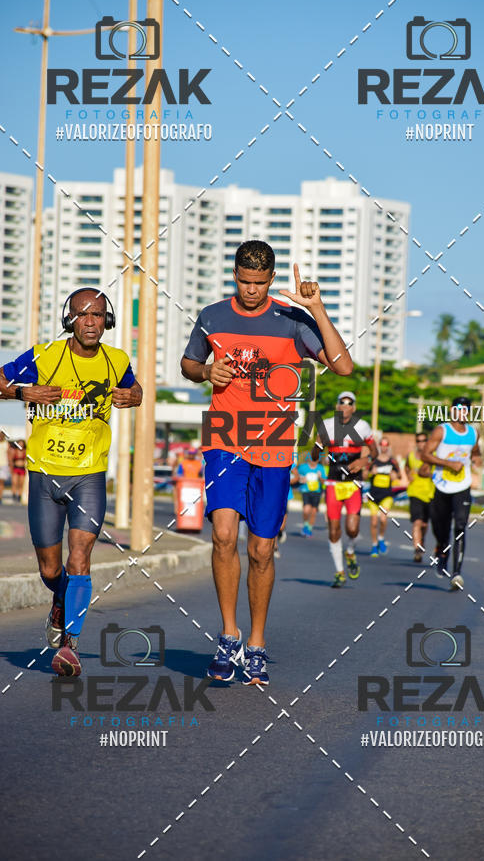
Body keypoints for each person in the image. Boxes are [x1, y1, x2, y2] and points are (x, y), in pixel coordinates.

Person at [180, 240, 353, 686]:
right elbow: (189, 364)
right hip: (224, 438)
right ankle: (229, 635)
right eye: (244, 281)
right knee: (223, 535)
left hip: (274, 444)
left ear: (271, 279)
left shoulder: (293, 320)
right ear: (234, 275)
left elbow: (343, 367)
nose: (251, 290)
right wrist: (206, 372)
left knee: (260, 549)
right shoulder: (212, 315)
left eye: (259, 283)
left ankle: (256, 642)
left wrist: (317, 309)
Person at [0, 288, 142, 676]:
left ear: (108, 320)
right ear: (68, 320)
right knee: (51, 570)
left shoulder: (116, 360)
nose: (90, 322)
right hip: (44, 474)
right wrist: (24, 392)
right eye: (82, 314)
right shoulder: (45, 356)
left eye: (98, 315)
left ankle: (69, 645)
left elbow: (134, 388)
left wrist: (133, 396)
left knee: (80, 557)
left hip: (89, 474)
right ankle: (60, 599)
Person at [314, 391, 377, 588]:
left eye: (349, 403)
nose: (345, 406)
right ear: (337, 406)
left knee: (352, 529)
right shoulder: (327, 425)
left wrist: (365, 460)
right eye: (342, 402)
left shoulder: (362, 426)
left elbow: (374, 452)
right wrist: (318, 445)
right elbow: (315, 456)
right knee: (334, 530)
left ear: (354, 408)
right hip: (333, 483)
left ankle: (350, 551)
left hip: (353, 484)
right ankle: (339, 571)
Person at [420, 397, 480, 590]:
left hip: (463, 485)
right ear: (452, 411)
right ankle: (441, 549)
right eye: (458, 409)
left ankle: (456, 574)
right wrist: (448, 463)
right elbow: (425, 454)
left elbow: (475, 452)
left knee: (460, 526)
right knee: (441, 527)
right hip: (442, 485)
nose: (462, 413)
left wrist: (477, 461)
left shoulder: (473, 433)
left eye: (465, 410)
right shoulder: (442, 430)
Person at [366, 436, 401, 557]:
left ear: (388, 446)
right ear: (379, 446)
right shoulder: (373, 460)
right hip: (373, 495)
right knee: (374, 522)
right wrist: (371, 473)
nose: (384, 447)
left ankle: (381, 538)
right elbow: (364, 474)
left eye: (386, 445)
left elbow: (399, 475)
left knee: (383, 519)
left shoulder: (392, 461)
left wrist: (395, 476)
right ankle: (374, 544)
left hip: (386, 495)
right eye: (382, 444)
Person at [403, 432, 435, 563]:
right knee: (417, 522)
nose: (421, 443)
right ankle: (417, 549)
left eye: (423, 440)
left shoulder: (433, 456)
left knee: (424, 524)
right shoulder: (411, 456)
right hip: (414, 492)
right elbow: (406, 467)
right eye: (418, 441)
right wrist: (408, 475)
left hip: (429, 493)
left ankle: (422, 540)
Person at [297, 451, 326, 537]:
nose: (314, 461)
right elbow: (296, 477)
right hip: (306, 491)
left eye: (316, 459)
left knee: (313, 511)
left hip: (317, 492)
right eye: (312, 459)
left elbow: (324, 481)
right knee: (306, 510)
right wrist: (301, 479)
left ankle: (309, 528)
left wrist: (320, 477)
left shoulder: (320, 468)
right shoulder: (303, 467)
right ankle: (306, 524)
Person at [275, 462, 298, 558]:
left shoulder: (288, 460)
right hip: (273, 495)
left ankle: (281, 532)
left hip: (285, 495)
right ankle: (275, 546)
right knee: (274, 521)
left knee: (281, 525)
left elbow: (296, 477)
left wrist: (286, 481)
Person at [10, 438, 27, 502]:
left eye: (22, 443)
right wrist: (11, 469)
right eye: (19, 443)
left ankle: (19, 495)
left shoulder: (25, 451)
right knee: (14, 482)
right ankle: (14, 494)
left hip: (22, 468)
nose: (21, 445)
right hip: (16, 468)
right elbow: (11, 460)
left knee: (21, 483)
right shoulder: (15, 451)